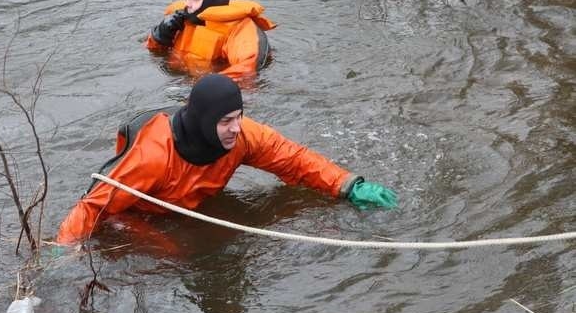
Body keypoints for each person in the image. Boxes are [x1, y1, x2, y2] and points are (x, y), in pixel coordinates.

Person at [57, 74, 397, 245]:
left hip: (193, 202)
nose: (236, 128)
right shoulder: (153, 156)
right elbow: (92, 206)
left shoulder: (243, 136)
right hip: (140, 212)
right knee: (175, 257)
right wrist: (62, 253)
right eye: (225, 121)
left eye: (239, 116)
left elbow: (294, 160)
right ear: (204, 120)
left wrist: (348, 185)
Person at [145, 0, 276, 81]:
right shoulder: (181, 20)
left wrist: (204, 89)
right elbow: (153, 51)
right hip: (176, 79)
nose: (187, 4)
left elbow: (246, 70)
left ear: (211, 0)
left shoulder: (240, 29)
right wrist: (160, 35)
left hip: (212, 88)